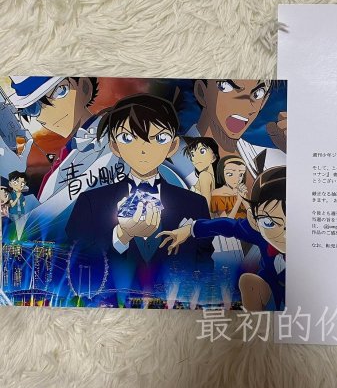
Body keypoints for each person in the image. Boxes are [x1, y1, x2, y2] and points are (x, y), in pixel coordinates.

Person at [66, 94, 214, 305]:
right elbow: (76, 268)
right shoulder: (90, 203)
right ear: (114, 146)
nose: (143, 149)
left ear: (173, 146)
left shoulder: (194, 204)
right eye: (128, 138)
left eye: (159, 138)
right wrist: (121, 236)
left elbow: (204, 266)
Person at [7, 76, 122, 240]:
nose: (49, 113)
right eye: (34, 108)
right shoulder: (70, 151)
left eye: (61, 92)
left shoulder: (115, 140)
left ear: (85, 88)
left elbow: (56, 215)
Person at [158, 166, 286, 311]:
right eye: (269, 222)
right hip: (270, 290)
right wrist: (189, 229)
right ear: (254, 220)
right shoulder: (258, 230)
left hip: (299, 293)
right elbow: (227, 225)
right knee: (248, 282)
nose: (283, 234)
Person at [169, 80, 287, 189]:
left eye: (257, 94)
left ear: (264, 101)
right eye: (225, 87)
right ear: (201, 92)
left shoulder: (274, 159)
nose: (246, 107)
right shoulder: (170, 161)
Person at [183, 137, 219, 209]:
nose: (195, 158)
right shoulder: (211, 177)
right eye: (192, 155)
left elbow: (206, 206)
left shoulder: (204, 175)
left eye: (202, 151)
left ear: (214, 157)